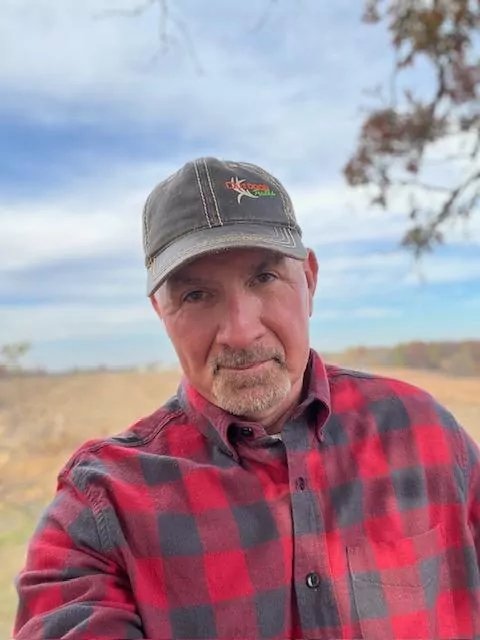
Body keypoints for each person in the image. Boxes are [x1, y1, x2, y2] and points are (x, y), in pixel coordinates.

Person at [13, 157, 480, 640]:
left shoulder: (424, 433)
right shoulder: (100, 508)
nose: (240, 332)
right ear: (160, 311)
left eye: (264, 279)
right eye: (196, 295)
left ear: (309, 280)